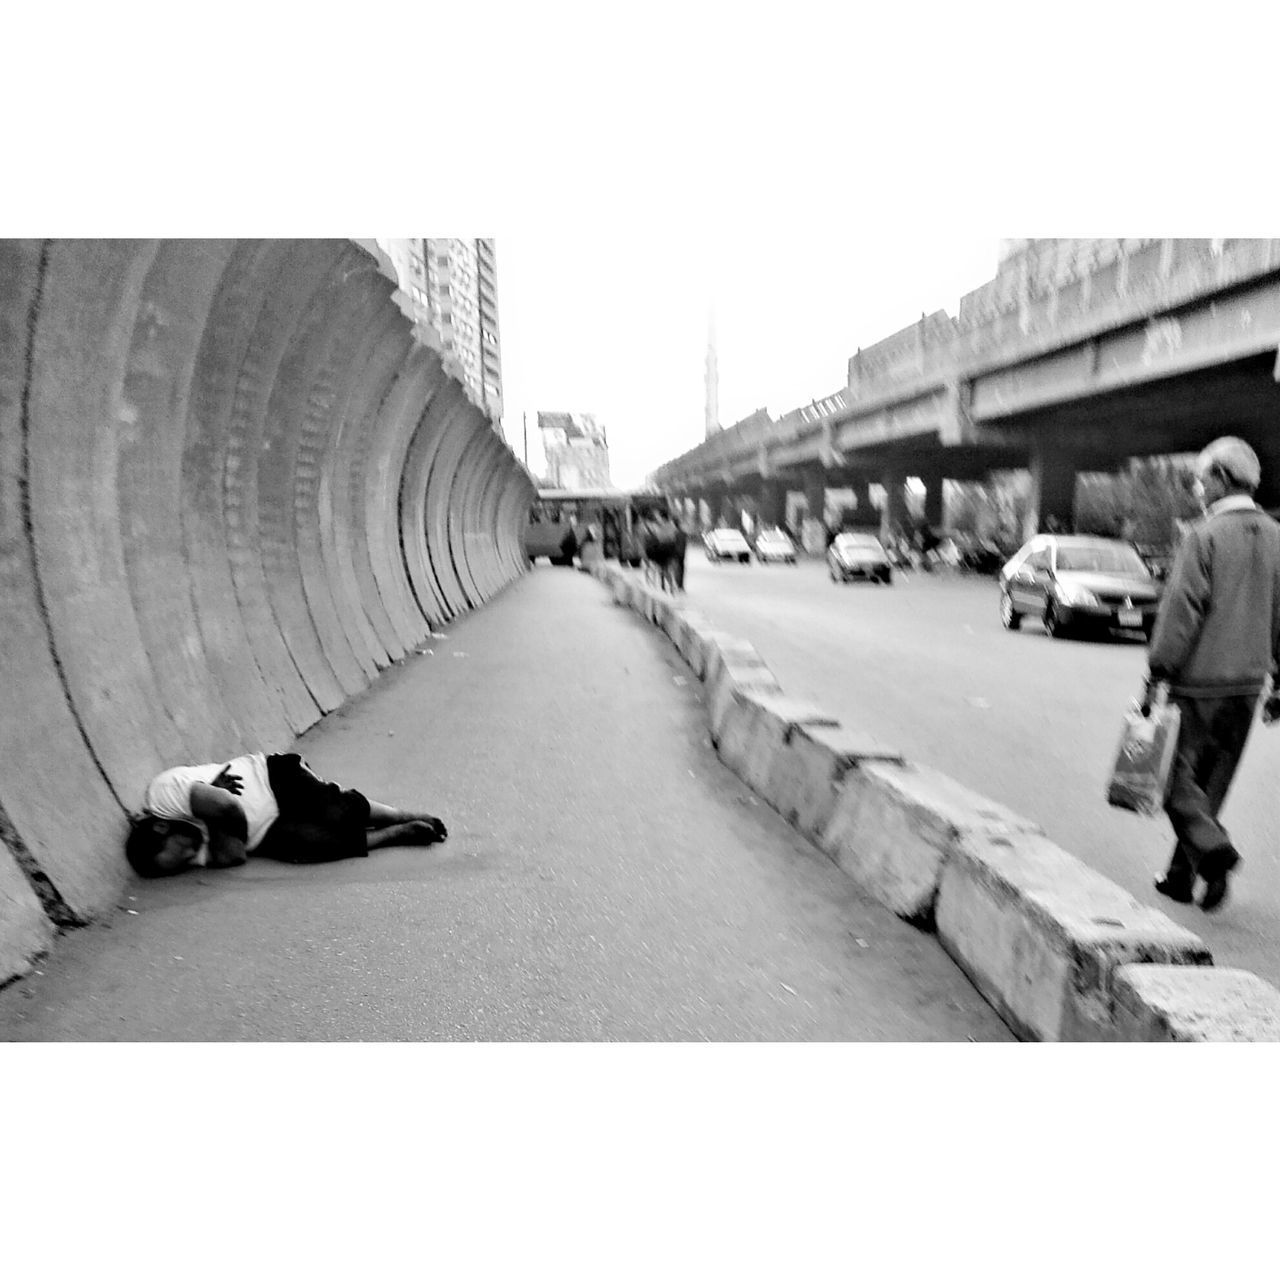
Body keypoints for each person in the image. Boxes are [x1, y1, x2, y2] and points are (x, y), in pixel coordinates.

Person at [1143, 437, 1280, 912]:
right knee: (1210, 786)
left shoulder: (1204, 536)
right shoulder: (1277, 536)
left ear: (1222, 477)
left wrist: (1159, 668)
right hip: (1248, 686)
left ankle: (1214, 856)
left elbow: (1182, 609)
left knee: (1170, 779)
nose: (1198, 488)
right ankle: (1182, 877)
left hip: (1200, 682)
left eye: (1202, 479)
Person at [126, 751, 448, 878]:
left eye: (180, 848)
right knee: (316, 846)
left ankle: (398, 815)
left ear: (161, 828)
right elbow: (233, 854)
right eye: (183, 861)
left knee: (336, 811)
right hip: (266, 831)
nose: (190, 855)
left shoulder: (162, 795)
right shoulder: (181, 853)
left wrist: (224, 817)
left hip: (271, 777)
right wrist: (223, 813)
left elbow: (225, 808)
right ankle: (394, 835)